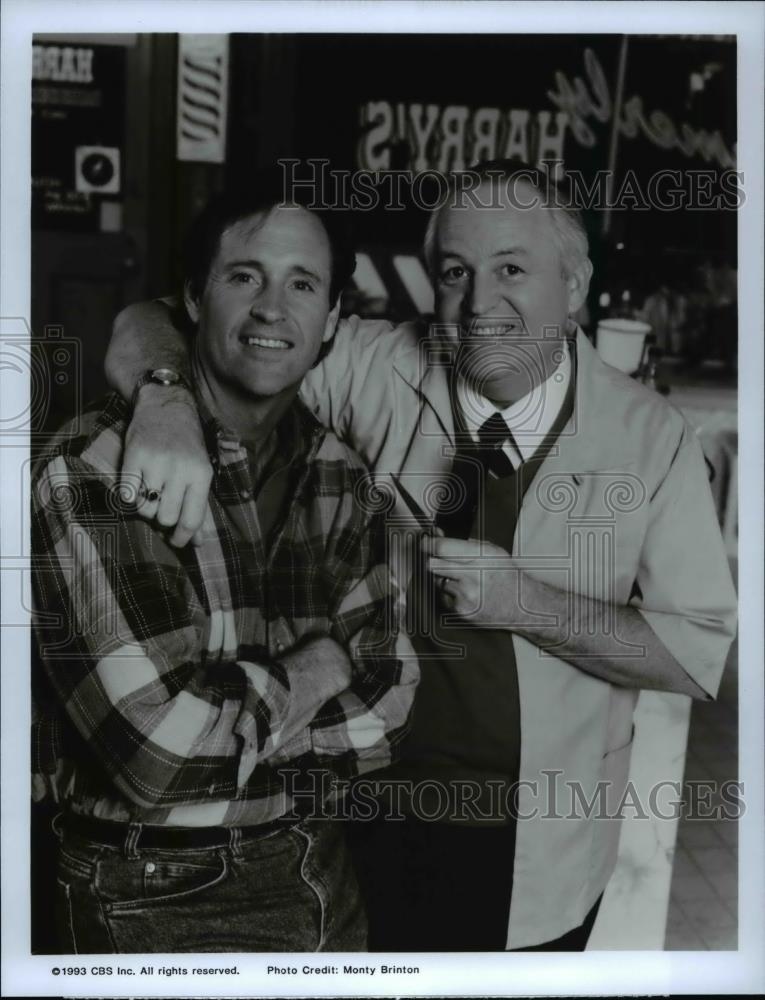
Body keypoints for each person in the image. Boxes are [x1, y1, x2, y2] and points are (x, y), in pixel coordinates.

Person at [104, 159, 737, 951]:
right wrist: (163, 398)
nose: (479, 304)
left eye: (512, 268)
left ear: (573, 287)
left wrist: (526, 605)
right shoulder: (376, 362)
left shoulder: (651, 438)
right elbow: (158, 318)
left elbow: (693, 650)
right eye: (454, 272)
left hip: (536, 839)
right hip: (355, 806)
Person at [31, 178, 418, 954]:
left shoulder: (341, 472)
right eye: (244, 276)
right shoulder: (95, 471)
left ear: (334, 317)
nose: (273, 307)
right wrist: (317, 668)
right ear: (193, 298)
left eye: (302, 284)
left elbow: (389, 711)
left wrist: (229, 722)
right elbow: (159, 759)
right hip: (145, 894)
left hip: (322, 873)